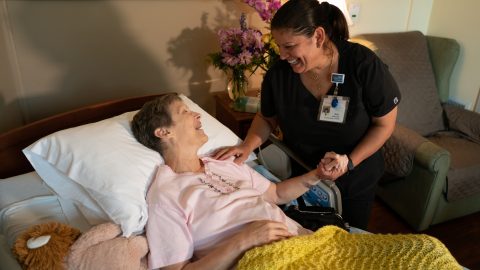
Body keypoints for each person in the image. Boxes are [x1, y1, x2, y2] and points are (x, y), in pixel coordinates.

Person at [214, 0, 401, 230]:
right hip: (303, 177)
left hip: (355, 177)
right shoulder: (279, 75)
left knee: (347, 242)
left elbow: (384, 124)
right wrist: (247, 146)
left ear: (319, 36)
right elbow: (266, 118)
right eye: (279, 46)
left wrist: (350, 161)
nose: (282, 55)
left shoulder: (362, 64)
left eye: (290, 46)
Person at [131, 93, 323, 270]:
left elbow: (277, 194)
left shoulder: (225, 161)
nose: (197, 114)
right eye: (185, 112)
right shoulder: (166, 194)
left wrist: (319, 175)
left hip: (306, 244)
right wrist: (245, 240)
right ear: (163, 132)